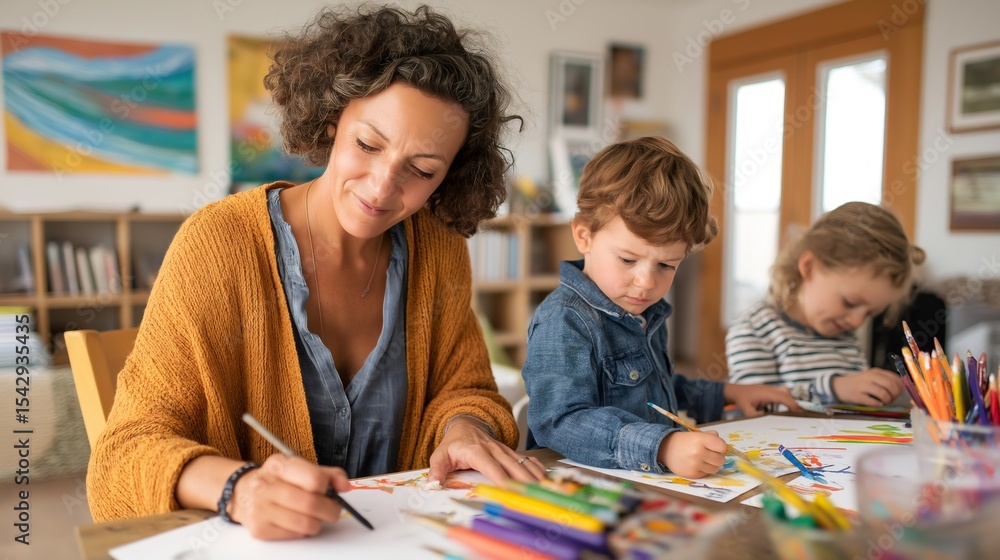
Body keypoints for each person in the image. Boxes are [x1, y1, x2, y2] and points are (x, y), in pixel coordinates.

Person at [87, 5, 546, 539]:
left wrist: (465, 427)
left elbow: (464, 388)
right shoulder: (220, 245)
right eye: (368, 145)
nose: (381, 188)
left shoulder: (439, 250)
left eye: (422, 170)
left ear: (448, 176)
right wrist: (238, 488)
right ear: (332, 121)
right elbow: (122, 458)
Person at [521, 137, 800, 480]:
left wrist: (727, 392)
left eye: (667, 265)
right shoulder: (564, 320)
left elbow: (654, 391)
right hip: (581, 487)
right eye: (628, 259)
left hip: (645, 479)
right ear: (584, 236)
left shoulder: (645, 311)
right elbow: (559, 421)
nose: (646, 282)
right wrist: (662, 446)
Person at [726, 201, 926, 406]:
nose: (856, 322)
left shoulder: (845, 338)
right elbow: (757, 407)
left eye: (869, 314)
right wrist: (833, 389)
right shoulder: (755, 328)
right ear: (809, 267)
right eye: (850, 303)